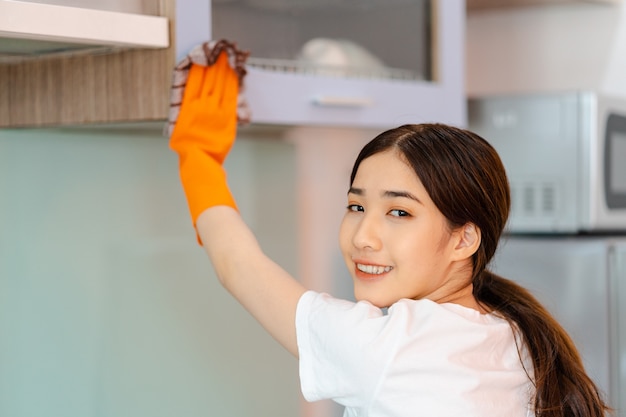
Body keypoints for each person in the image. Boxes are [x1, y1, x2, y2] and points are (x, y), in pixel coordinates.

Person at [169, 51, 612, 417]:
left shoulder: (396, 347)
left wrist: (198, 156)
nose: (364, 236)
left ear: (464, 239)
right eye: (356, 206)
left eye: (399, 212)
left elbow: (239, 266)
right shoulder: (510, 332)